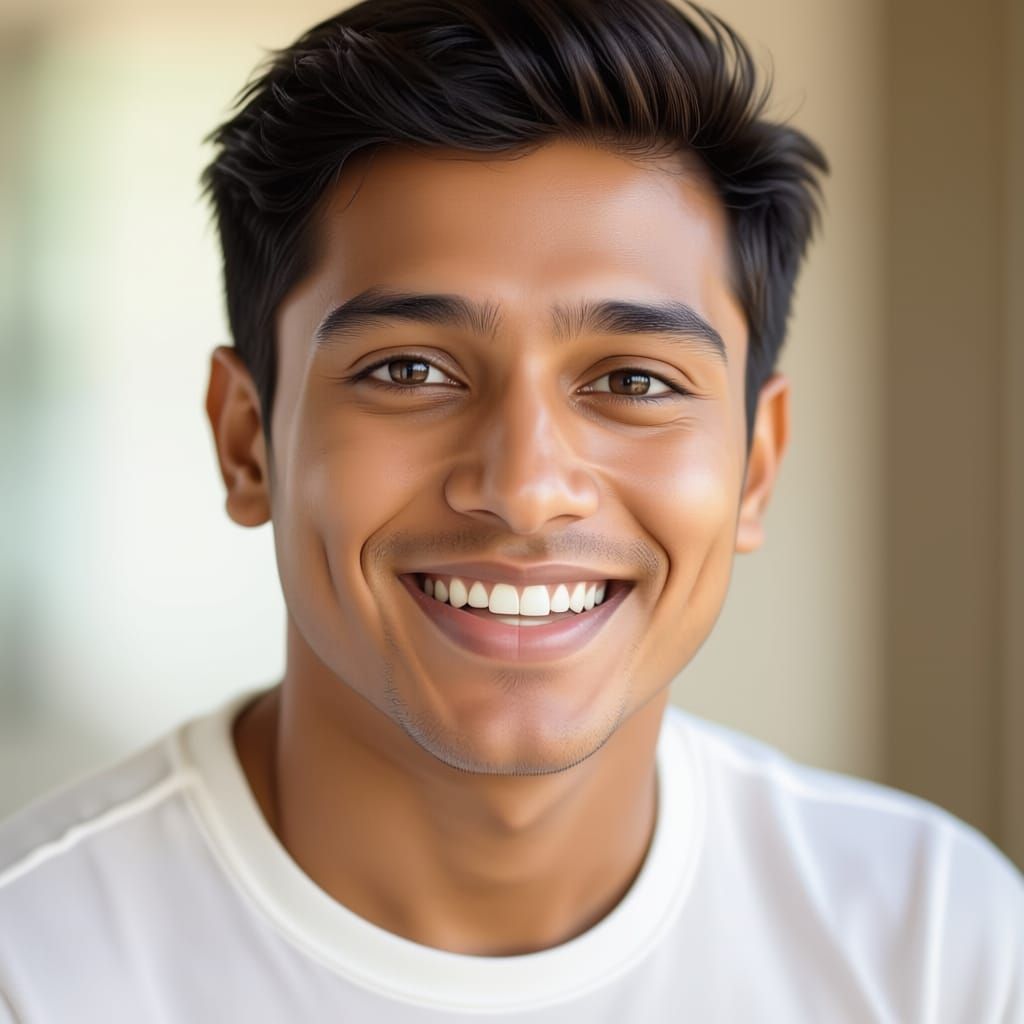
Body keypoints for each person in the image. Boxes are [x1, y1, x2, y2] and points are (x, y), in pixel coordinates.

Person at [1, 0, 1022, 1019]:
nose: (526, 488)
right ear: (245, 441)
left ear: (755, 465)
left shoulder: (935, 945)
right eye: (409, 369)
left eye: (632, 381)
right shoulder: (32, 963)